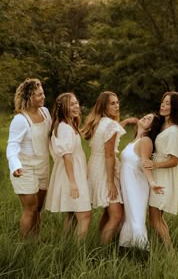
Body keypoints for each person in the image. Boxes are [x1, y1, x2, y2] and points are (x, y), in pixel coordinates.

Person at [81, 91, 135, 245]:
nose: (117, 106)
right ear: (104, 106)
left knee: (108, 211)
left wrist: (127, 121)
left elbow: (112, 131)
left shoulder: (99, 122)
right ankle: (102, 249)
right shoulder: (111, 125)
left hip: (95, 167)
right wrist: (110, 182)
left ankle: (100, 241)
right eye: (112, 103)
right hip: (105, 170)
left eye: (117, 102)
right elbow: (109, 155)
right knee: (117, 214)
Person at [6, 78, 51, 237]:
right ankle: (24, 245)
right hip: (25, 168)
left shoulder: (45, 112)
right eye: (39, 95)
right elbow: (12, 146)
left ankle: (36, 240)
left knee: (38, 208)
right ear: (28, 97)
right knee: (30, 209)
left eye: (43, 93)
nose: (43, 97)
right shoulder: (20, 120)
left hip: (43, 166)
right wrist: (15, 165)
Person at [144, 91, 178, 248]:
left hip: (163, 177)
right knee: (157, 219)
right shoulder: (163, 125)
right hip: (157, 175)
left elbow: (174, 160)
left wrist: (155, 164)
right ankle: (169, 254)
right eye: (163, 102)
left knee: (154, 219)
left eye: (168, 103)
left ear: (176, 107)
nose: (163, 105)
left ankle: (171, 256)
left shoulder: (174, 131)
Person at [45, 93, 91, 242]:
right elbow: (66, 155)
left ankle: (65, 246)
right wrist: (73, 183)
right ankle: (77, 253)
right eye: (71, 104)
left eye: (76, 103)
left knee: (72, 215)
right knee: (84, 215)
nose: (76, 106)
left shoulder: (70, 124)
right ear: (63, 108)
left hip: (74, 171)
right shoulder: (64, 127)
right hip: (71, 174)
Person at [119, 113, 164, 250]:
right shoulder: (134, 141)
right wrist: (126, 120)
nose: (145, 117)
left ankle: (143, 252)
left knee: (136, 217)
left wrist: (152, 183)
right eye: (145, 116)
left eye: (149, 119)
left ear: (151, 128)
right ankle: (127, 249)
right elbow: (114, 131)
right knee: (129, 217)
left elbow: (145, 163)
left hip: (137, 185)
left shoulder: (145, 141)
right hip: (127, 184)